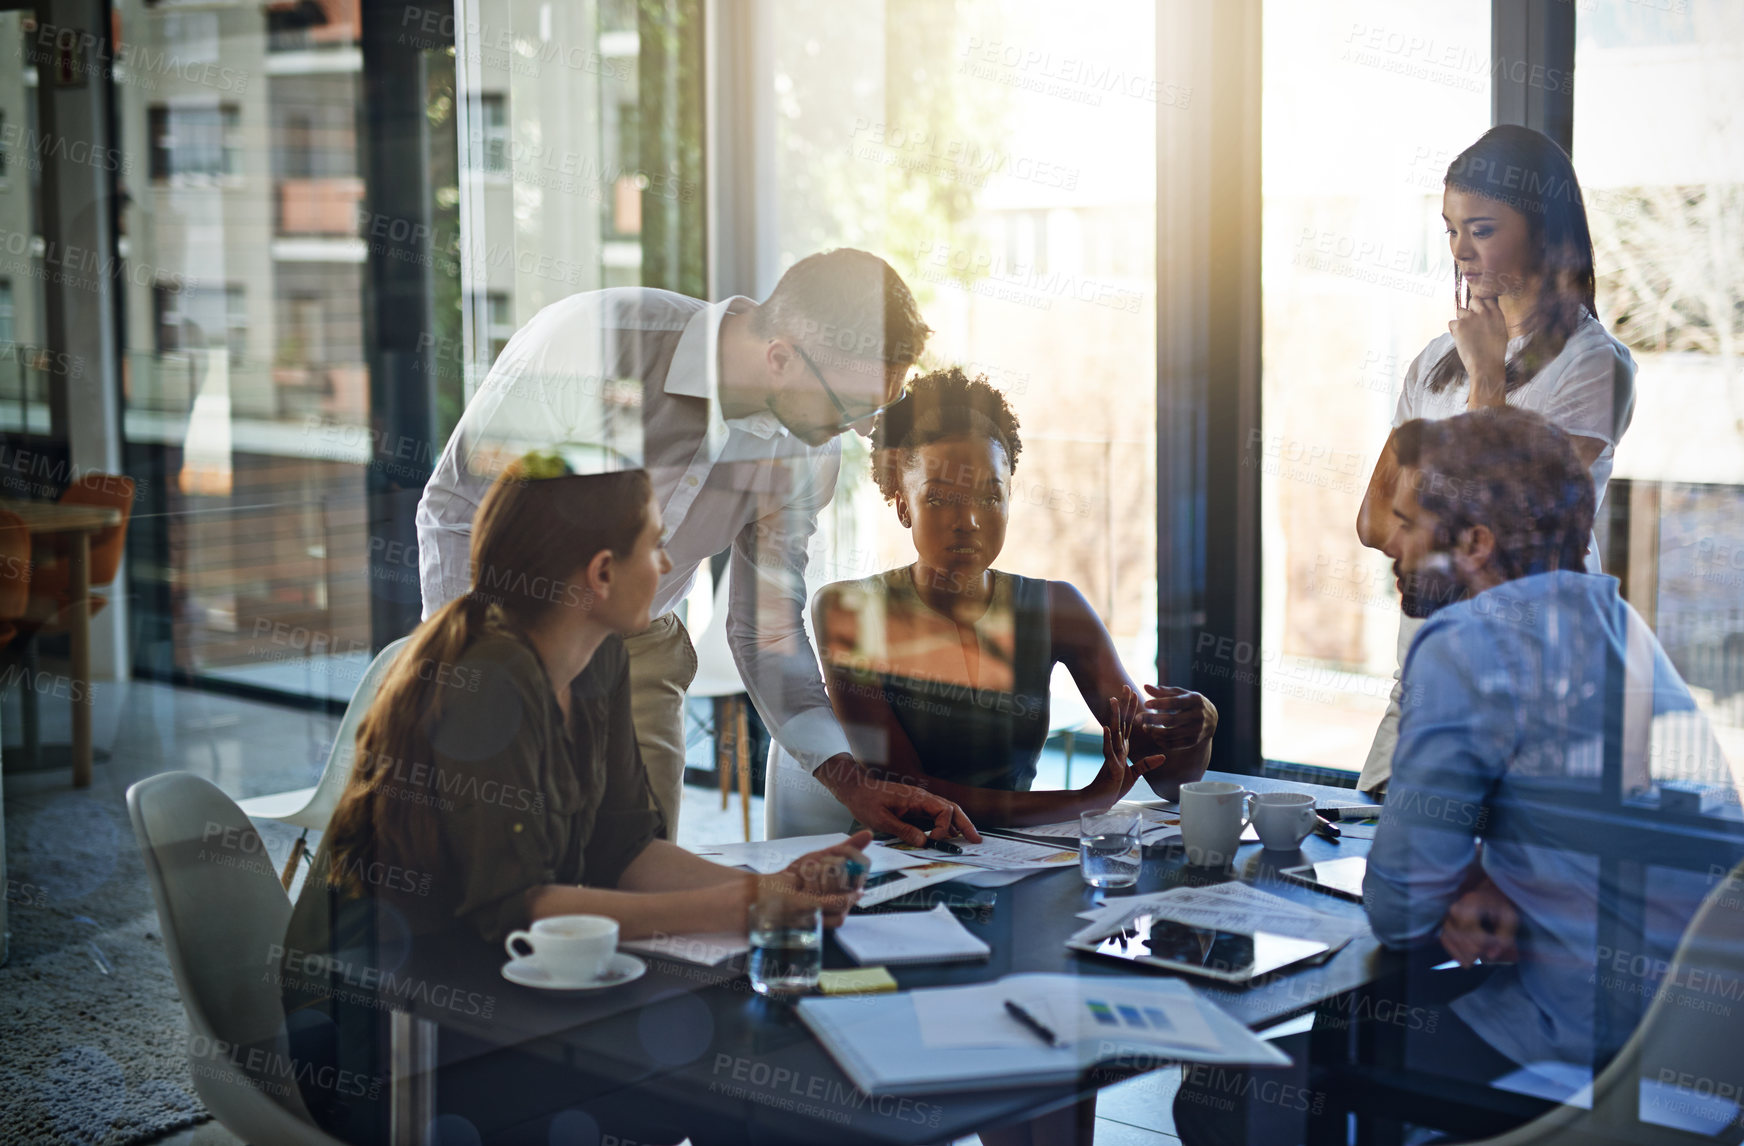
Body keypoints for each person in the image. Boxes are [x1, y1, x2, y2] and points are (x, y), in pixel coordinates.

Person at [1175, 409, 1739, 1145]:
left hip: (1578, 1050)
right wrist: (1483, 872)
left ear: (1475, 543)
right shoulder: (1618, 624)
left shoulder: (1469, 640)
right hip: (1694, 1056)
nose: (1393, 546)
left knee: (1218, 1097)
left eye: (1411, 523)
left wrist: (1451, 879)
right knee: (1357, 1015)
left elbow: (1401, 906)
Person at [283, 454, 870, 1145]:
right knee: (723, 1066)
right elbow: (519, 907)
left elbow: (623, 849)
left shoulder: (602, 659)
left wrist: (770, 886)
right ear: (599, 572)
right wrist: (745, 906)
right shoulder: (491, 674)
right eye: (653, 543)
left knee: (747, 1042)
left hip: (502, 991)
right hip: (390, 1043)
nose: (667, 559)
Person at [417, 248, 980, 847]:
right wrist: (477, 671)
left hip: (641, 651)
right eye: (850, 407)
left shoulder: (806, 452)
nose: (862, 431)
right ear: (781, 357)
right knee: (500, 863)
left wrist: (851, 781)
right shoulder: (598, 341)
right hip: (508, 629)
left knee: (643, 875)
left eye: (877, 407)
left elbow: (766, 630)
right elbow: (455, 513)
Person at [1353, 125, 1637, 795]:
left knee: (1489, 885)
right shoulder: (1434, 362)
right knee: (1376, 855)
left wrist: (1487, 379)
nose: (1460, 251)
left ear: (1543, 230)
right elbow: (1374, 523)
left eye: (1480, 229)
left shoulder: (1593, 365)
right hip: (1426, 664)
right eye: (1450, 229)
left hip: (1533, 680)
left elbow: (1503, 529)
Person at [813, 368, 1217, 829]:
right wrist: (1081, 802)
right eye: (942, 499)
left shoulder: (1056, 609)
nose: (968, 520)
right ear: (903, 504)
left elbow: (1166, 779)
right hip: (899, 861)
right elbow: (908, 791)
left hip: (1013, 862)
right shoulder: (848, 611)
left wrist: (1198, 730)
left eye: (989, 498)